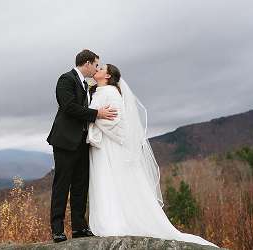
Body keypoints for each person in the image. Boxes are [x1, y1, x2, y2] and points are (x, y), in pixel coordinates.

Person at [86, 64, 218, 247]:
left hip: (110, 146)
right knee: (105, 180)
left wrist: (95, 118)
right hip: (102, 147)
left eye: (101, 68)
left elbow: (117, 122)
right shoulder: (98, 91)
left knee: (112, 180)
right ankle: (109, 217)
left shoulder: (111, 93)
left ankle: (116, 220)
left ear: (107, 76)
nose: (97, 69)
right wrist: (95, 116)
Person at [46, 49, 118, 243]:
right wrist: (97, 114)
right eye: (95, 65)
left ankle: (79, 227)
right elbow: (68, 107)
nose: (96, 69)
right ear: (86, 63)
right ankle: (57, 229)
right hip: (65, 141)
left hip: (83, 142)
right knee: (62, 185)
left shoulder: (88, 85)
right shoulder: (66, 80)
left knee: (80, 185)